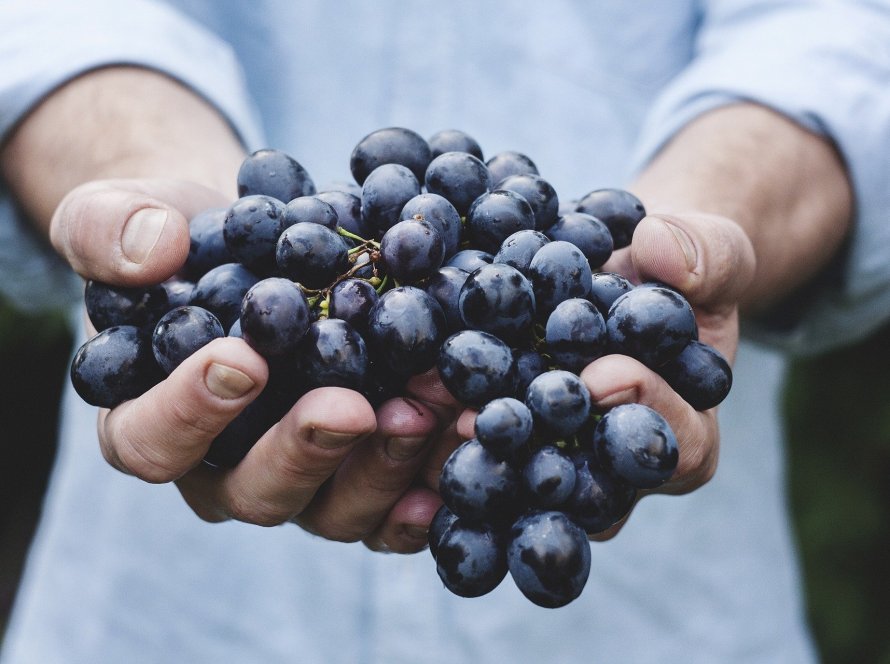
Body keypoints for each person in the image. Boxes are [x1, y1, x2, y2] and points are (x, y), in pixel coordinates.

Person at [1, 1, 889, 662]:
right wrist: (143, 185)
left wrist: (706, 225)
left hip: (663, 623)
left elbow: (833, 37)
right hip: (166, 618)